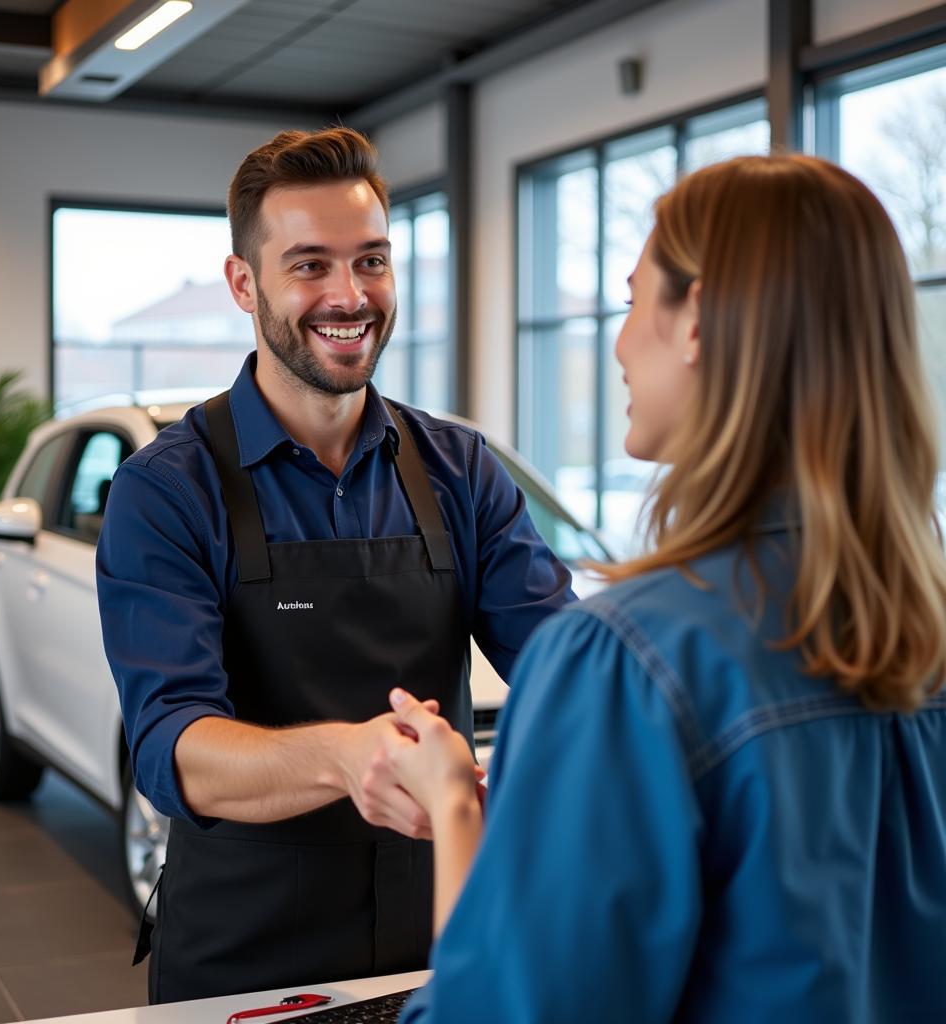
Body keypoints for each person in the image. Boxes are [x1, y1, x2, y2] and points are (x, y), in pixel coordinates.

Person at [383, 154, 946, 1023]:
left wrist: (452, 800)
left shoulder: (624, 665)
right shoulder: (922, 631)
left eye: (635, 296)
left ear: (698, 321)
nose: (617, 339)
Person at [95, 127, 576, 1004]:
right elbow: (171, 747)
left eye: (373, 261)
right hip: (246, 964)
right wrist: (345, 760)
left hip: (438, 944)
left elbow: (570, 669)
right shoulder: (166, 490)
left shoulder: (461, 470)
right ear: (246, 283)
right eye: (311, 264)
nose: (350, 295)